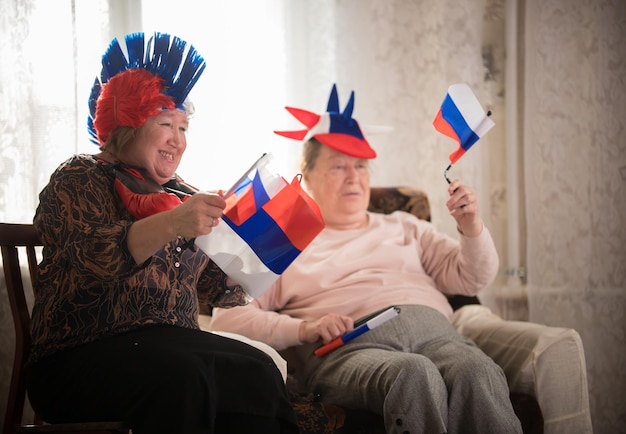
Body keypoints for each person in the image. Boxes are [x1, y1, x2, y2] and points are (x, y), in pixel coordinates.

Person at [210, 84, 524, 434]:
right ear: (307, 176)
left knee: (478, 371)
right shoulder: (284, 243)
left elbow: (471, 278)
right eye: (338, 167)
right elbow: (226, 318)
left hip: (437, 334)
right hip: (351, 351)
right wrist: (303, 329)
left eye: (361, 166)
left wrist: (471, 226)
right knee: (412, 374)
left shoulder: (407, 226)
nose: (353, 177)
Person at [27, 32, 299, 434]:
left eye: (184, 127)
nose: (178, 140)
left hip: (170, 348)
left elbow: (214, 289)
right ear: (128, 126)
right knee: (185, 375)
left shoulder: (181, 195)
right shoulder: (80, 176)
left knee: (257, 371)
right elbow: (99, 257)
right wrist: (174, 222)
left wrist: (253, 242)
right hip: (76, 358)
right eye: (166, 124)